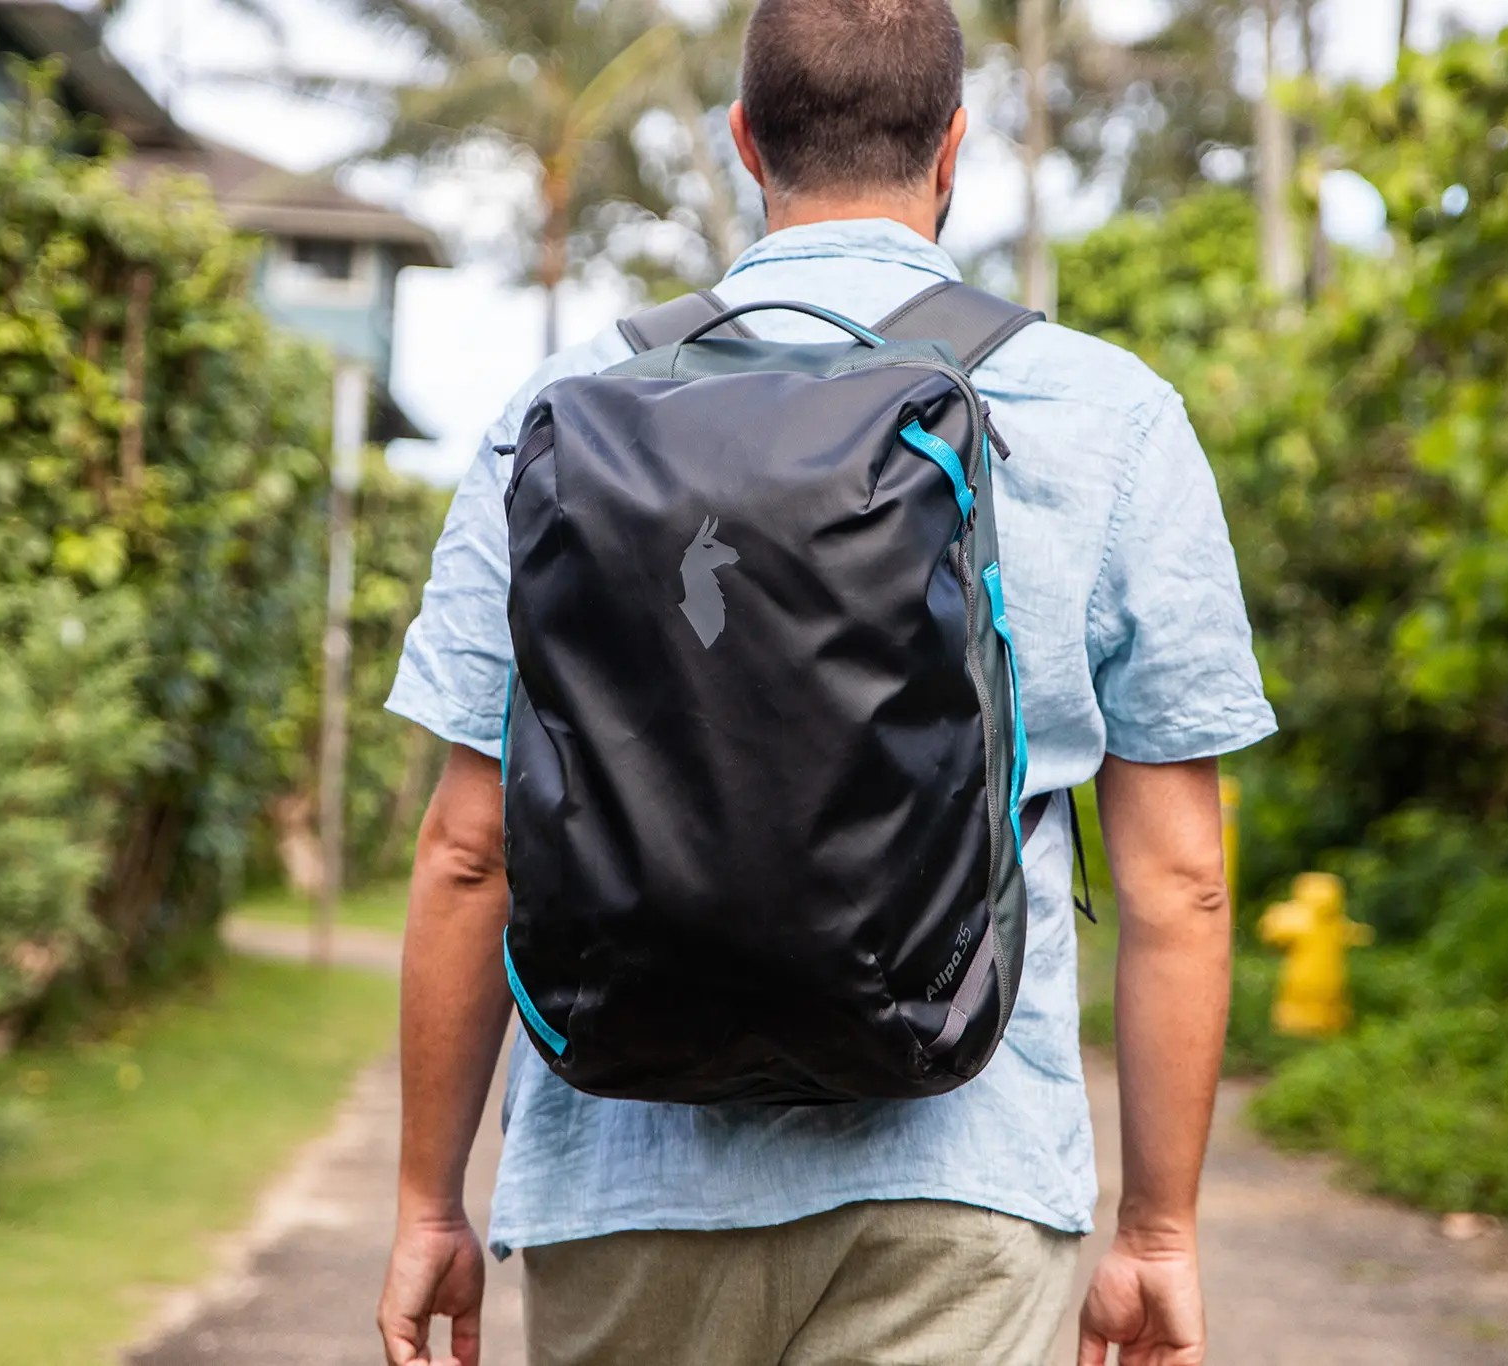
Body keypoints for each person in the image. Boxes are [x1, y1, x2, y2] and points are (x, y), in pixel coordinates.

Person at [376, 0, 1275, 1360]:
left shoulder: (562, 406)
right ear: (953, 146)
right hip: (959, 1180)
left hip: (628, 1186)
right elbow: (1178, 882)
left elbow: (465, 850)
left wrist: (426, 1200)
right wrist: (1157, 1229)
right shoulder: (1105, 413)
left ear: (746, 141)